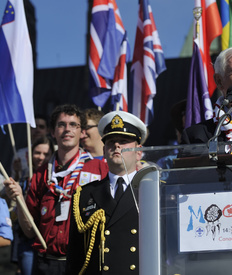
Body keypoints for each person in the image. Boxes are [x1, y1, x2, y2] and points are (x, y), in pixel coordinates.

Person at [4, 104, 109, 275]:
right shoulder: (40, 174)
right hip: (47, 264)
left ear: (82, 132)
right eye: (61, 124)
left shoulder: (99, 168)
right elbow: (30, 231)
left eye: (73, 124)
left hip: (85, 263)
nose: (67, 129)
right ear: (53, 132)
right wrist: (19, 200)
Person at [66, 110, 147, 275]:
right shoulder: (84, 195)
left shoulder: (152, 191)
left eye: (124, 141)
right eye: (111, 142)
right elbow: (75, 255)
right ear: (104, 151)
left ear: (139, 152)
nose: (116, 146)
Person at [10, 136, 55, 275]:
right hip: (27, 241)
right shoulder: (24, 179)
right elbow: (13, 208)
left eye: (46, 154)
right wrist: (17, 176)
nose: (41, 157)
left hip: (48, 241)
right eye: (37, 153)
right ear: (29, 154)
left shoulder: (56, 180)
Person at [11, 114, 50, 181]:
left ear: (48, 130)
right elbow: (14, 181)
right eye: (34, 126)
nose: (37, 130)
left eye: (41, 127)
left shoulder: (56, 151)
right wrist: (17, 173)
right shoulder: (19, 155)